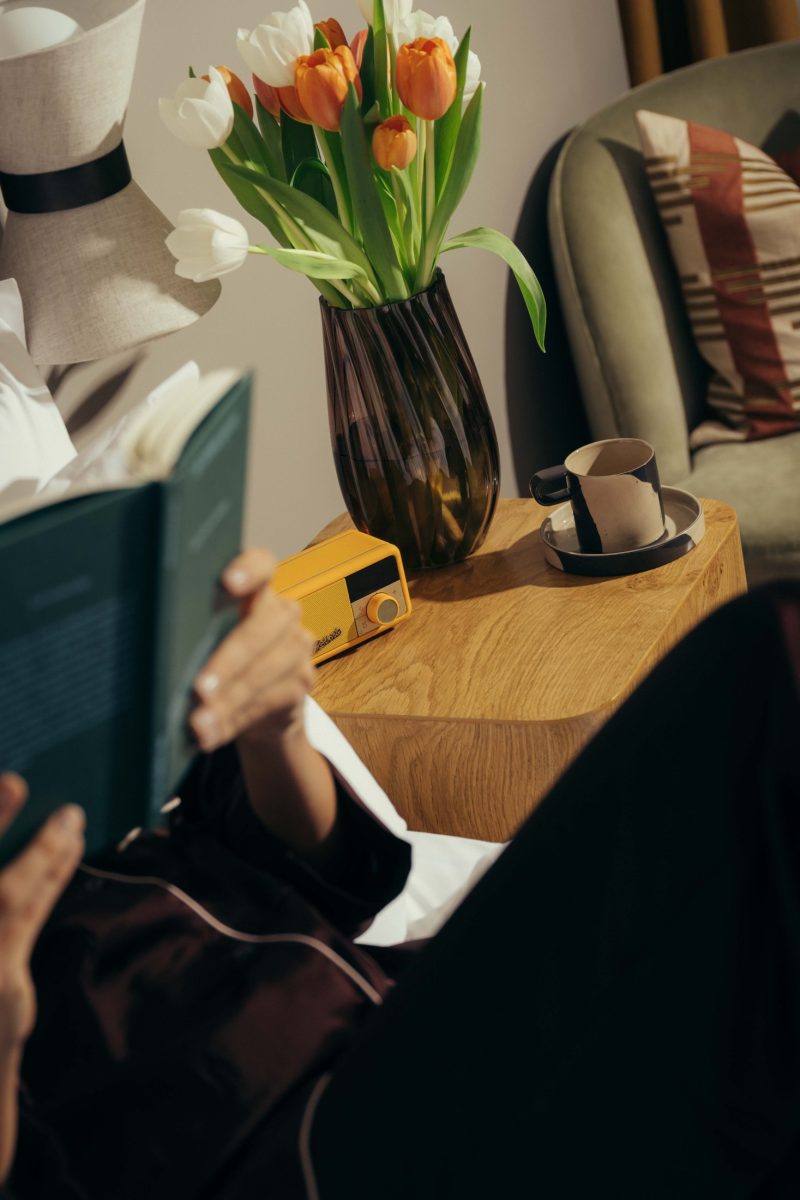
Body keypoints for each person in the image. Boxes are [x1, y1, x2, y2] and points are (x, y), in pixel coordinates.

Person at [0, 550, 799, 1199]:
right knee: (764, 663)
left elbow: (345, 878)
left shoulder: (73, 774)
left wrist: (274, 729)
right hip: (303, 1156)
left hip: (393, 1024)